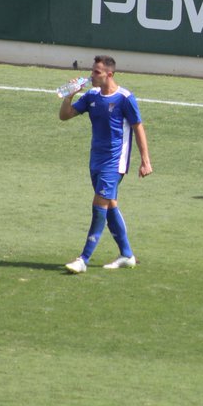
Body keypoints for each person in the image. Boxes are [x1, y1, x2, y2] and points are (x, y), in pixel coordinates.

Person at [58, 55, 153, 273]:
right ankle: (127, 255)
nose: (92, 76)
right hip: (96, 161)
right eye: (92, 71)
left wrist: (145, 160)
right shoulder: (91, 96)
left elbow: (138, 127)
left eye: (96, 72)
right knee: (109, 206)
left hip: (114, 162)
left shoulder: (125, 98)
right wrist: (69, 97)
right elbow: (65, 116)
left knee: (98, 205)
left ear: (110, 74)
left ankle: (83, 259)